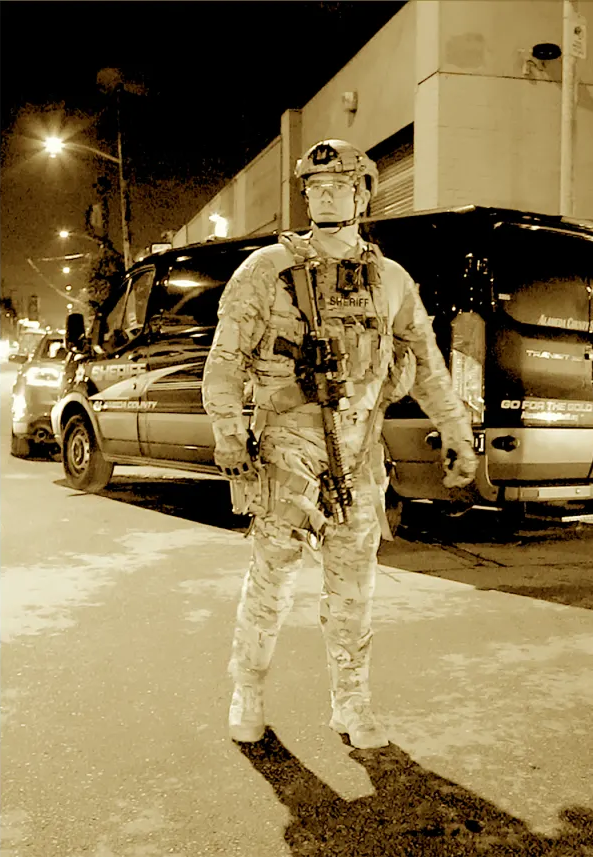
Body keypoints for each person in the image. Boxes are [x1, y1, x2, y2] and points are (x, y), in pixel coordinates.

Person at [202, 139, 478, 749]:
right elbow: (223, 363)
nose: (324, 195)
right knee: (271, 578)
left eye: (338, 185)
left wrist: (457, 432)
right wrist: (228, 435)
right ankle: (247, 686)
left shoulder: (390, 280)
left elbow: (429, 366)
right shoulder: (266, 270)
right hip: (287, 450)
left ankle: (351, 701)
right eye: (315, 187)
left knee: (354, 588)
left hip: (358, 456)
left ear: (362, 194)